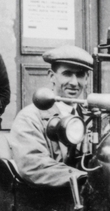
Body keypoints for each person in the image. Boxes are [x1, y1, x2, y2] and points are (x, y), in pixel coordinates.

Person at [9, 45, 91, 188]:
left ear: (87, 79)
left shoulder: (90, 118)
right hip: (48, 201)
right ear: (51, 76)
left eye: (80, 75)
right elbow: (33, 166)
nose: (74, 82)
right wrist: (83, 179)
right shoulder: (30, 117)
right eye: (67, 73)